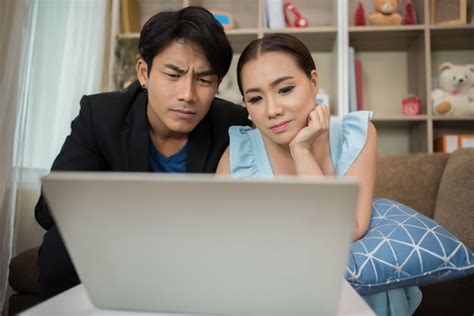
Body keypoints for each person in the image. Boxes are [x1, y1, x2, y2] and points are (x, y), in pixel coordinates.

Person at [35, 6, 250, 300]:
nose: (187, 94)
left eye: (203, 80)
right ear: (144, 73)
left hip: (196, 246)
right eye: (173, 74)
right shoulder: (101, 115)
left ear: (217, 84)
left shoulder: (232, 122)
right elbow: (51, 208)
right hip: (118, 241)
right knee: (59, 244)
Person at [216, 33, 421, 315]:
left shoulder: (355, 134)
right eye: (256, 98)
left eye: (285, 89)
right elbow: (225, 250)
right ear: (247, 108)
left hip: (357, 293)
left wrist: (301, 150)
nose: (273, 110)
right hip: (277, 293)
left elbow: (347, 228)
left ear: (313, 82)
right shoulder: (238, 155)